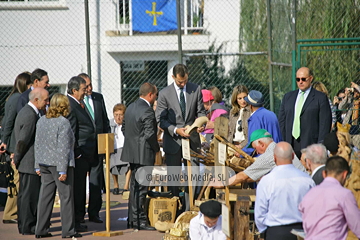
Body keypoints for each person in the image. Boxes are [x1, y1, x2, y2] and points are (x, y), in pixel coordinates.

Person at [155, 63, 206, 204]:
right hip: (173, 140)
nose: (183, 84)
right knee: (174, 175)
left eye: (185, 81)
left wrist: (201, 124)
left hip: (192, 139)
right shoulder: (165, 93)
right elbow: (160, 119)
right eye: (179, 82)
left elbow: (201, 112)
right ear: (173, 77)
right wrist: (176, 130)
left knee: (194, 174)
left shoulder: (196, 89)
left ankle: (190, 206)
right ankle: (175, 204)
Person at [34, 93, 81, 239]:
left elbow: (37, 144)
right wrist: (63, 169)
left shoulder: (42, 120)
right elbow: (63, 148)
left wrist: (37, 165)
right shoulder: (63, 122)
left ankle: (40, 229)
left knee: (45, 197)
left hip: (44, 163)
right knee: (66, 197)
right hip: (59, 164)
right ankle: (68, 230)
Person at [255, 142, 315, 240]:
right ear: (292, 156)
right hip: (301, 231)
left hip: (275, 232)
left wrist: (265, 231)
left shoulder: (266, 181)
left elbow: (260, 214)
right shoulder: (307, 180)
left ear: (274, 158)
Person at [121, 82, 159, 230]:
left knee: (134, 187)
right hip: (144, 153)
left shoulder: (130, 107)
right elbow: (150, 134)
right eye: (155, 95)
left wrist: (133, 141)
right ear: (150, 94)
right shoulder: (147, 111)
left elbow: (124, 128)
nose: (155, 98)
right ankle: (140, 221)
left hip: (132, 151)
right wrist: (156, 149)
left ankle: (132, 219)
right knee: (141, 188)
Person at [13, 88, 49, 235]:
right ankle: (27, 225)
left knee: (28, 195)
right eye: (45, 100)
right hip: (28, 162)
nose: (47, 103)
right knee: (29, 196)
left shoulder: (32, 112)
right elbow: (23, 140)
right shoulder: (29, 115)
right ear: (36, 100)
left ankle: (27, 224)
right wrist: (17, 158)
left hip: (28, 161)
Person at [299, 156, 360, 240]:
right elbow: (357, 226)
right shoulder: (344, 194)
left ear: (324, 173)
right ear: (345, 174)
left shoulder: (310, 193)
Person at [278, 67, 332, 158]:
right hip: (291, 144)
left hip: (310, 145)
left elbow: (325, 124)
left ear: (310, 78)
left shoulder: (320, 98)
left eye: (303, 79)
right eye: (297, 79)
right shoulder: (288, 97)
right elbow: (282, 121)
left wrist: (320, 146)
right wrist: (284, 141)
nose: (300, 82)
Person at [78, 73, 110, 224]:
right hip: (83, 148)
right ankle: (79, 214)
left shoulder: (98, 98)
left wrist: (108, 141)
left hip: (98, 147)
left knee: (96, 181)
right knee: (80, 182)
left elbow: (104, 120)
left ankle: (94, 212)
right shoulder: (76, 101)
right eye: (87, 86)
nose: (90, 88)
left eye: (91, 85)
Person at [0, 72, 31, 224]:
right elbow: (9, 121)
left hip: (13, 143)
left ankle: (14, 212)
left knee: (17, 179)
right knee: (16, 179)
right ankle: (10, 213)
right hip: (14, 145)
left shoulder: (14, 97)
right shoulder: (17, 98)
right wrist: (5, 142)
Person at [66, 76, 96, 232]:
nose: (86, 92)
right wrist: (77, 152)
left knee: (80, 188)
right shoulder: (71, 105)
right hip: (79, 154)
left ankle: (79, 218)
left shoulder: (79, 103)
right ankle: (76, 221)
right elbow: (71, 132)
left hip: (86, 153)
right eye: (83, 90)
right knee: (77, 189)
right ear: (74, 90)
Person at [227, 129, 305, 186]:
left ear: (261, 144)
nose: (256, 152)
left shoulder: (268, 155)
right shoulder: (279, 149)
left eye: (255, 148)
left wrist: (223, 183)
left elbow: (243, 176)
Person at [243, 90, 282, 155]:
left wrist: (241, 154)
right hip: (277, 153)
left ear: (250, 105)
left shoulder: (254, 118)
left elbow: (253, 143)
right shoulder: (272, 114)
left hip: (264, 157)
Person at [109, 103, 130, 195]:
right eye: (116, 115)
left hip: (125, 147)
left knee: (128, 165)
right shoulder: (110, 123)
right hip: (114, 148)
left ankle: (126, 186)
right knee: (113, 164)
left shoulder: (127, 123)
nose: (118, 117)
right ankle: (116, 185)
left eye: (120, 115)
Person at [227, 85, 251, 149]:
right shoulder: (232, 113)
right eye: (240, 98)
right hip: (233, 145)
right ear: (235, 100)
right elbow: (230, 133)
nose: (243, 101)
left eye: (245, 97)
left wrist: (242, 145)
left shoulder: (251, 111)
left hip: (246, 146)